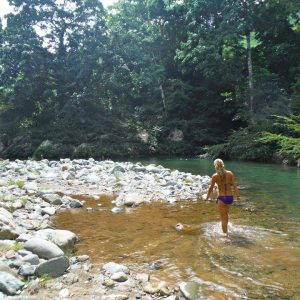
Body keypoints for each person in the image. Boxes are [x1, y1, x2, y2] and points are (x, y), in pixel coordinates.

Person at [205, 159, 241, 236]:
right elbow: (234, 186)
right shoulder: (230, 173)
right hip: (230, 198)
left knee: (223, 219)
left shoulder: (215, 176)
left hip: (221, 198)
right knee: (226, 215)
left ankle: (225, 236)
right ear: (223, 164)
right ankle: (226, 230)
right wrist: (238, 196)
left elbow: (211, 188)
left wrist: (207, 197)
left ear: (215, 166)